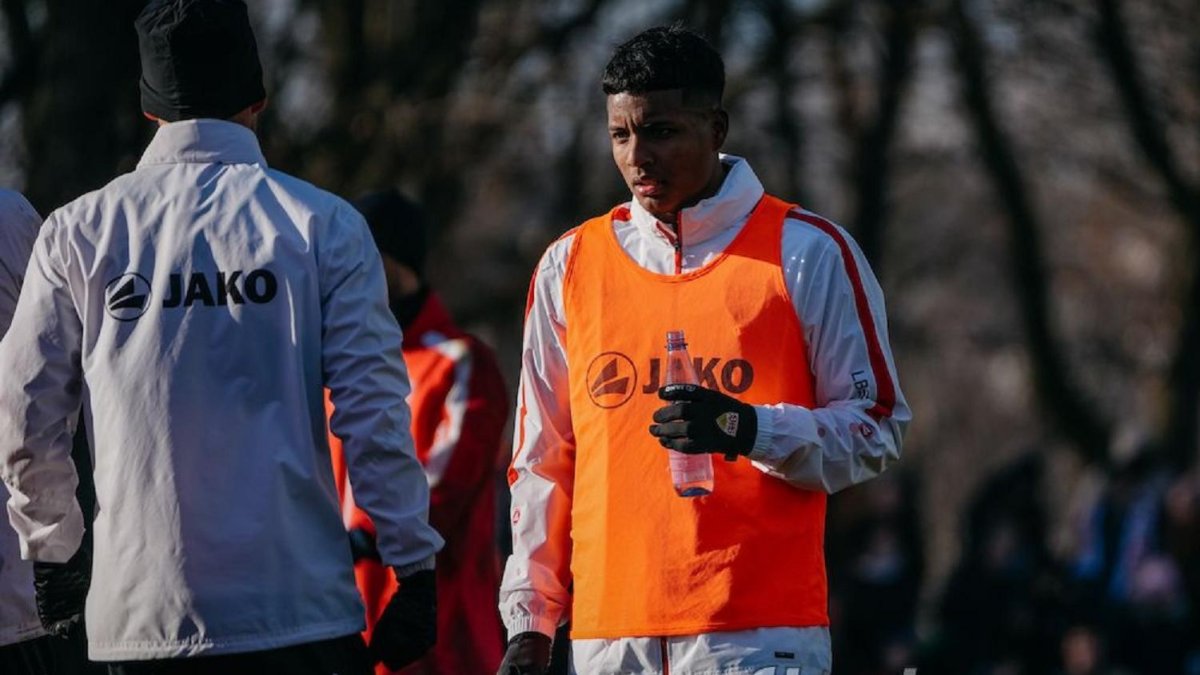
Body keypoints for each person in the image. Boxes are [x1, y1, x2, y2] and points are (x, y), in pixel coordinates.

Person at [0, 2, 442, 674]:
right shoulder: (325, 226)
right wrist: (413, 561)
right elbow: (373, 412)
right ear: (258, 98)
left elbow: (27, 419)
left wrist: (53, 548)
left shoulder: (78, 231)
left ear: (149, 110)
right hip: (300, 612)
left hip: (143, 619)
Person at [498, 25, 910, 675]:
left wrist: (750, 428)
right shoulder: (568, 264)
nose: (638, 157)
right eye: (620, 135)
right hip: (609, 638)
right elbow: (542, 461)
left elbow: (879, 426)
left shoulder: (807, 252)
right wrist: (531, 618)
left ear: (716, 129)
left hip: (757, 636)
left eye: (660, 131)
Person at [326, 190, 510, 675]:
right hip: (346, 636)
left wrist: (363, 536)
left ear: (388, 259)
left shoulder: (461, 361)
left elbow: (444, 488)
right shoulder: (334, 367)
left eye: (359, 258)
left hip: (441, 647)